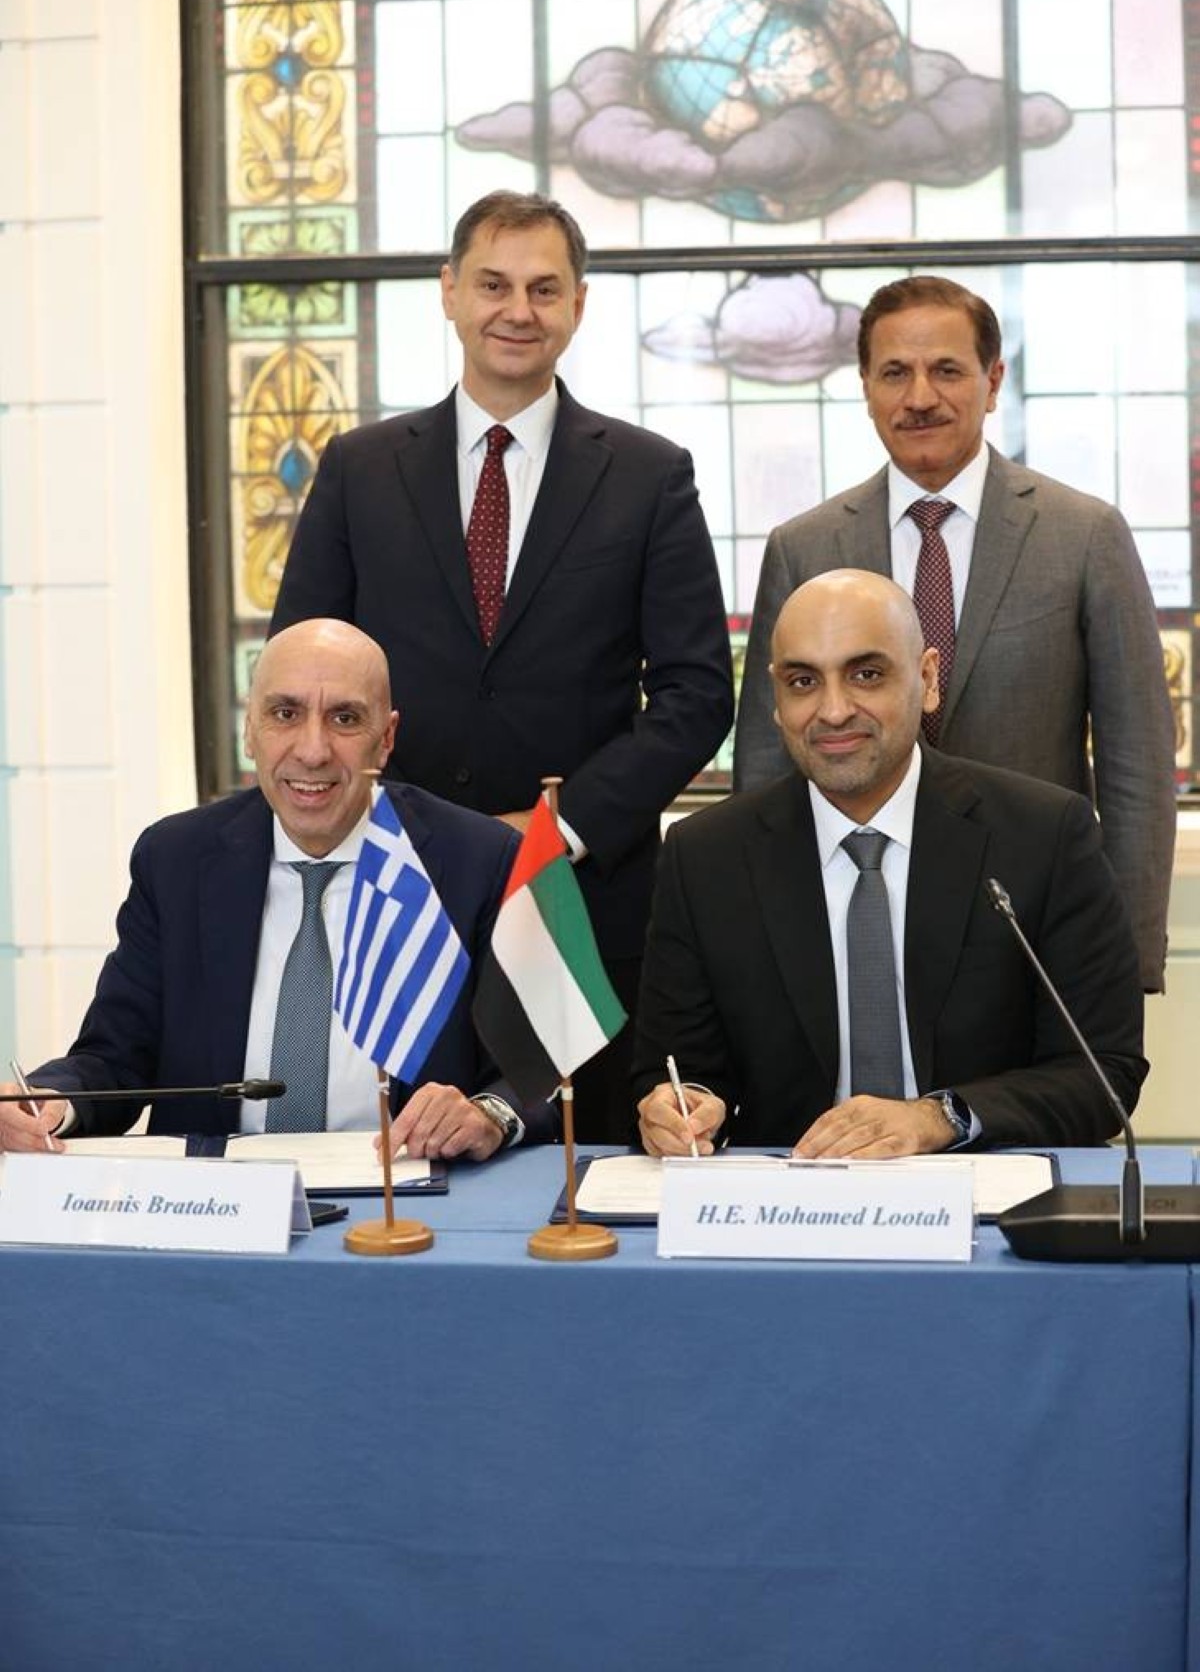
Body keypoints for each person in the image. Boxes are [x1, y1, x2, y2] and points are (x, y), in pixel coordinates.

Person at [270, 190, 734, 1141]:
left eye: (543, 289)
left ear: (578, 305)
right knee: (405, 1149)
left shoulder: (649, 474)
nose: (517, 310)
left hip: (580, 901)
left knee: (578, 1159)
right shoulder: (359, 468)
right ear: (449, 292)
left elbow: (696, 694)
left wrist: (556, 828)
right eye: (492, 285)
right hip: (398, 883)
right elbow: (301, 668)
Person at [733, 274, 1175, 993]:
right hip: (854, 919)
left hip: (1034, 926)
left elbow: (1137, 768)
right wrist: (759, 945)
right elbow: (764, 762)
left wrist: (1126, 961)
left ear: (992, 382)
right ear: (865, 387)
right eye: (894, 373)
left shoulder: (1084, 536)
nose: (920, 398)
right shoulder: (804, 547)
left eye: (946, 370)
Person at [634, 570, 1146, 1159]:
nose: (832, 711)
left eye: (866, 675)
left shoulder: (1044, 835)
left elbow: (1103, 1071)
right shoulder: (705, 857)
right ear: (775, 700)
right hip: (788, 1193)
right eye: (803, 682)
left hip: (984, 1185)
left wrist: (940, 1118)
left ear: (927, 680)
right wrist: (684, 1108)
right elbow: (677, 1068)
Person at [0, 619, 551, 1160]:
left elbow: (543, 1069)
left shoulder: (478, 861)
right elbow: (113, 1058)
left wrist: (487, 1113)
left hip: (404, 1195)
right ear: (249, 729)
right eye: (285, 713)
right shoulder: (175, 862)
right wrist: (50, 1102)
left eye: (344, 718)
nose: (312, 750)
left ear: (386, 739)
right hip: (219, 1201)